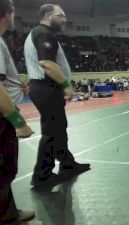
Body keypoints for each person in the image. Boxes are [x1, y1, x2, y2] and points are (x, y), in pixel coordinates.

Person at [24, 4, 90, 187]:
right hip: (46, 87)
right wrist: (66, 85)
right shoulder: (44, 34)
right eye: (60, 15)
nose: (64, 19)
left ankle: (67, 164)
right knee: (52, 132)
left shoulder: (39, 33)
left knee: (58, 128)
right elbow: (46, 63)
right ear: (47, 15)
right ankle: (42, 176)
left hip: (45, 87)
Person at [0, 0, 36, 224]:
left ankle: (9, 212)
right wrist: (18, 121)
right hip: (3, 118)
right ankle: (6, 218)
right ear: (7, 13)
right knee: (5, 170)